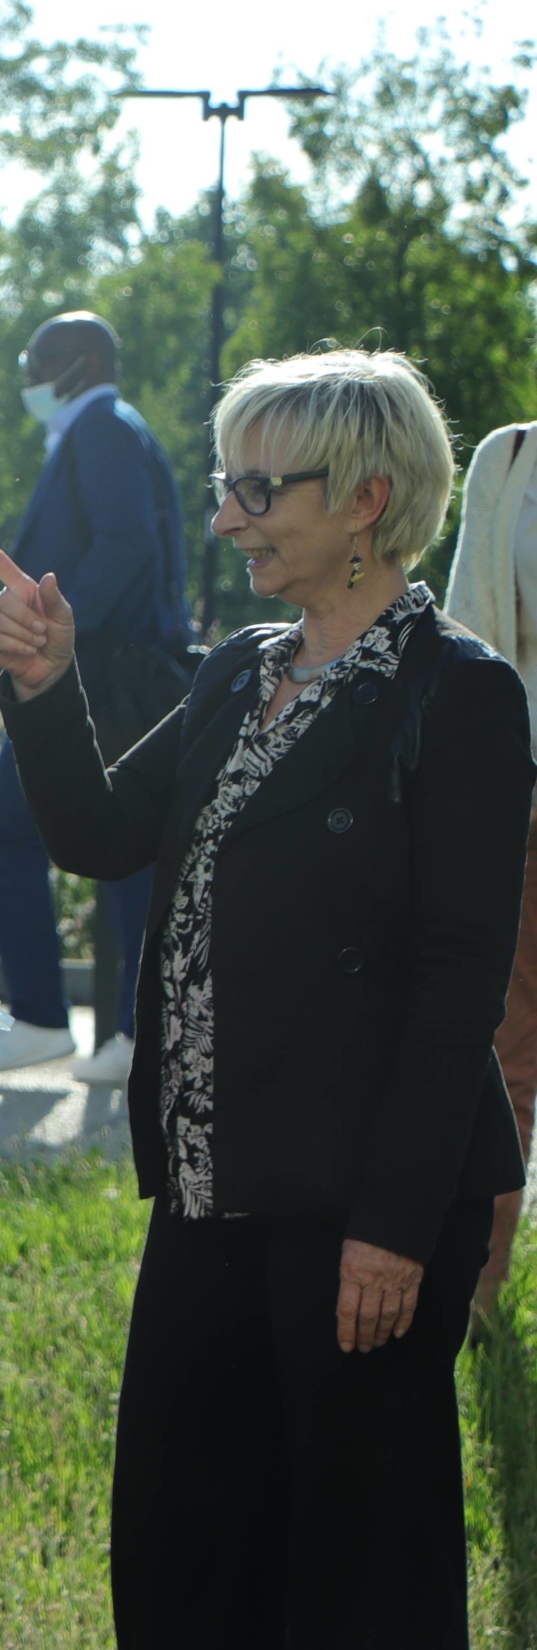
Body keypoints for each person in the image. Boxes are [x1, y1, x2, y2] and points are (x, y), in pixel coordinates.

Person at [0, 347, 530, 1645]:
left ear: (367, 499)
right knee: (184, 1543)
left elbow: (460, 984)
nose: (226, 517)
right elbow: (105, 830)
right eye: (228, 486)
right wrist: (46, 691)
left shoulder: (463, 697)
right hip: (214, 1184)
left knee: (357, 1566)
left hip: (367, 1207)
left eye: (258, 490)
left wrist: (391, 1227)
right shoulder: (233, 668)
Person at [0, 311, 189, 1082]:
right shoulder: (117, 430)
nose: (27, 373)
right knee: (126, 850)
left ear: (83, 363)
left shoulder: (101, 432)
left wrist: (47, 628)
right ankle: (125, 1033)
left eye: (39, 359)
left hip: (95, 672)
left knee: (5, 832)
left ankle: (41, 1017)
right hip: (118, 667)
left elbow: (127, 545)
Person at [441, 419, 537, 1319]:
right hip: (527, 808)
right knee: (503, 1060)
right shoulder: (510, 462)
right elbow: (471, 636)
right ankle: (482, 1298)